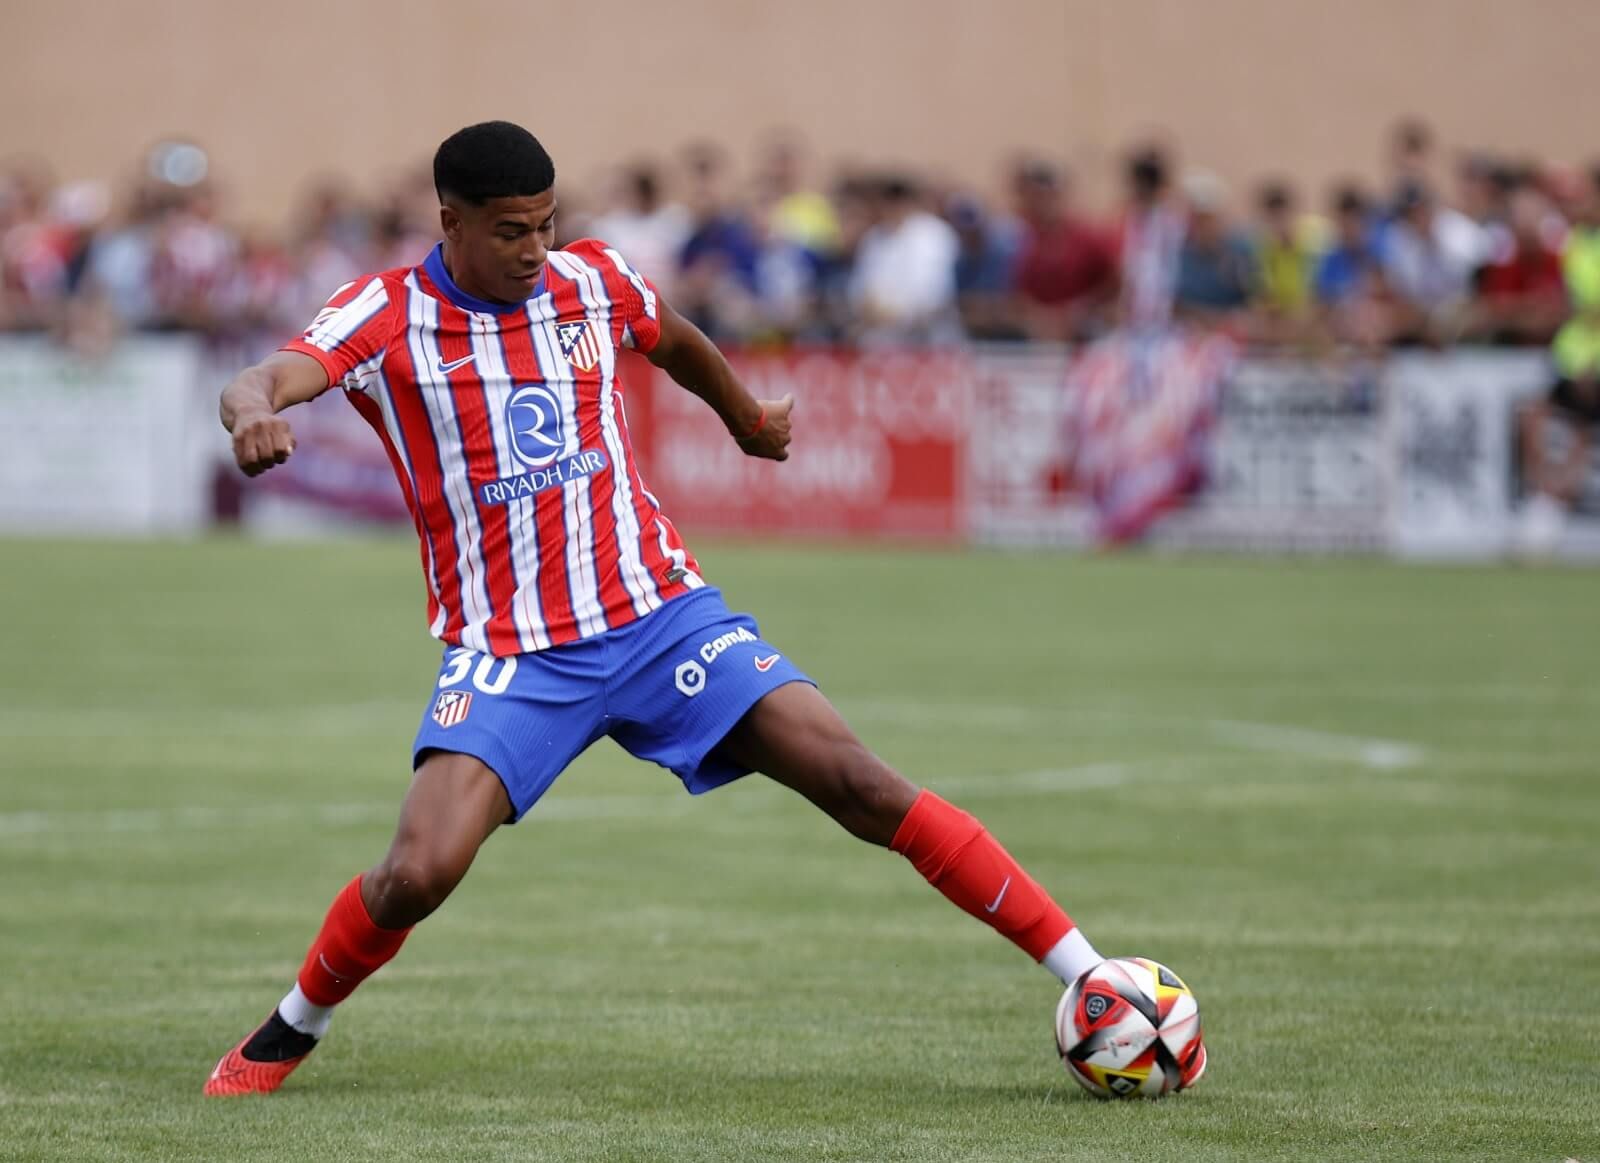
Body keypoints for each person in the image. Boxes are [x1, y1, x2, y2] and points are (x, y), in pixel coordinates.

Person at [204, 122, 1177, 1096]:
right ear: (449, 221)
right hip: (516, 651)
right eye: (510, 231)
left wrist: (747, 417)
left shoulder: (593, 281)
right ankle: (292, 1026)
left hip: (660, 612)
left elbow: (674, 339)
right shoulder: (387, 314)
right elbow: (271, 372)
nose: (534, 249)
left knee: (858, 778)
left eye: (546, 224)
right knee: (416, 871)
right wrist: (255, 411)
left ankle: (1090, 974)